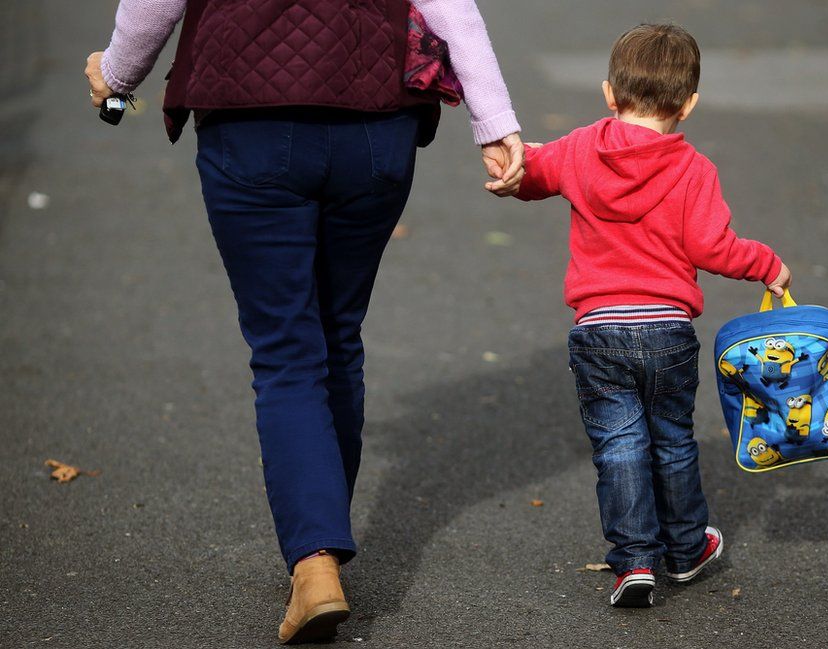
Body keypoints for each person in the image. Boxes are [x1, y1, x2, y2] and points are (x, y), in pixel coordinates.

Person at [84, 0, 524, 642]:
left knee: (287, 350)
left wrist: (117, 76)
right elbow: (454, 11)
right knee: (338, 335)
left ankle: (314, 565)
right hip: (375, 125)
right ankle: (321, 551)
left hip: (251, 124)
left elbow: (155, 4)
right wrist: (495, 122)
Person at [490, 23, 792, 607]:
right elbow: (712, 248)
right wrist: (766, 264)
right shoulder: (693, 169)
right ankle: (684, 548)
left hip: (599, 329)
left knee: (619, 445)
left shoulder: (581, 148)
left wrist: (513, 170)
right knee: (673, 440)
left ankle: (634, 561)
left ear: (609, 93)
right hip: (667, 329)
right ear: (690, 103)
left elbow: (537, 170)